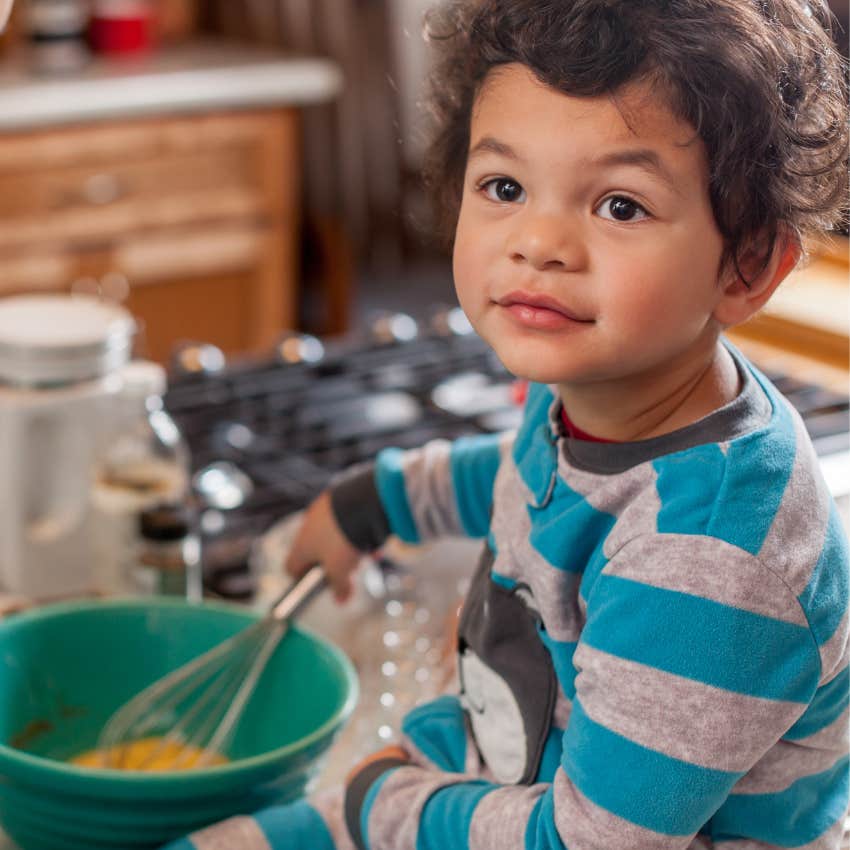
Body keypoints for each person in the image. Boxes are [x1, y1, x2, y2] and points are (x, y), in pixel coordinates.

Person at [166, 0, 849, 848]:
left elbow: (590, 842)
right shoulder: (604, 392)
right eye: (505, 187)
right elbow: (543, 473)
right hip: (509, 772)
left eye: (621, 206)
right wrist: (376, 502)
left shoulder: (709, 565)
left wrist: (386, 805)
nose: (539, 241)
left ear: (748, 265)